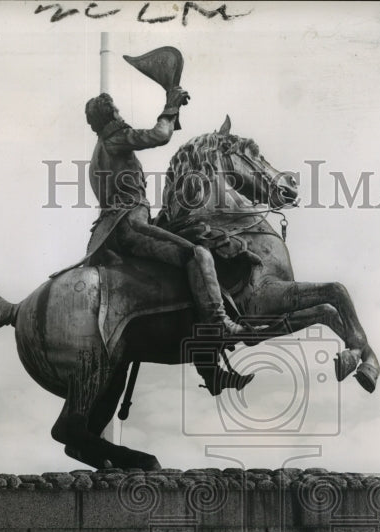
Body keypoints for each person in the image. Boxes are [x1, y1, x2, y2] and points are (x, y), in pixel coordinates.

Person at [83, 89, 254, 396]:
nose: (122, 116)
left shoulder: (99, 149)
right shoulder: (115, 137)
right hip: (131, 225)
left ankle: (211, 370)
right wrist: (171, 105)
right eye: (118, 112)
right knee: (197, 255)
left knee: (182, 276)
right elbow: (160, 135)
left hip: (120, 226)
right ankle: (220, 323)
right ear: (110, 117)